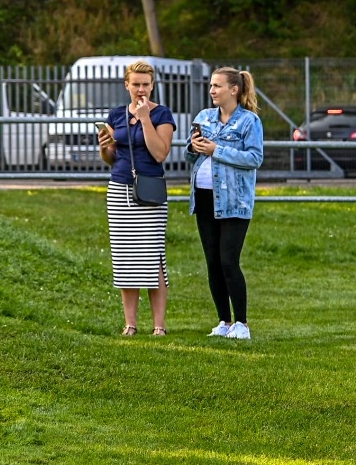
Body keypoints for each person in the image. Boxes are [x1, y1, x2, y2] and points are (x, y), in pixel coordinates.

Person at [95, 60, 176, 336]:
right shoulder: (116, 115)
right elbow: (110, 158)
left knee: (152, 257)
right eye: (136, 84)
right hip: (120, 190)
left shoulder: (162, 114)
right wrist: (105, 147)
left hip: (150, 191)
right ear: (126, 85)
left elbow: (160, 153)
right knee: (126, 258)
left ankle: (159, 325)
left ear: (152, 86)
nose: (141, 89)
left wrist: (144, 118)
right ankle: (130, 324)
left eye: (146, 84)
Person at [185, 67, 265, 340]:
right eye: (211, 85)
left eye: (217, 85)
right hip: (204, 199)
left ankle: (242, 323)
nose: (212, 90)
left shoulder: (249, 122)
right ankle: (223, 321)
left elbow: (254, 158)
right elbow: (189, 154)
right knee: (212, 263)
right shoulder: (204, 117)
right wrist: (194, 147)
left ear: (234, 89)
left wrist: (216, 150)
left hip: (234, 202)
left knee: (228, 260)